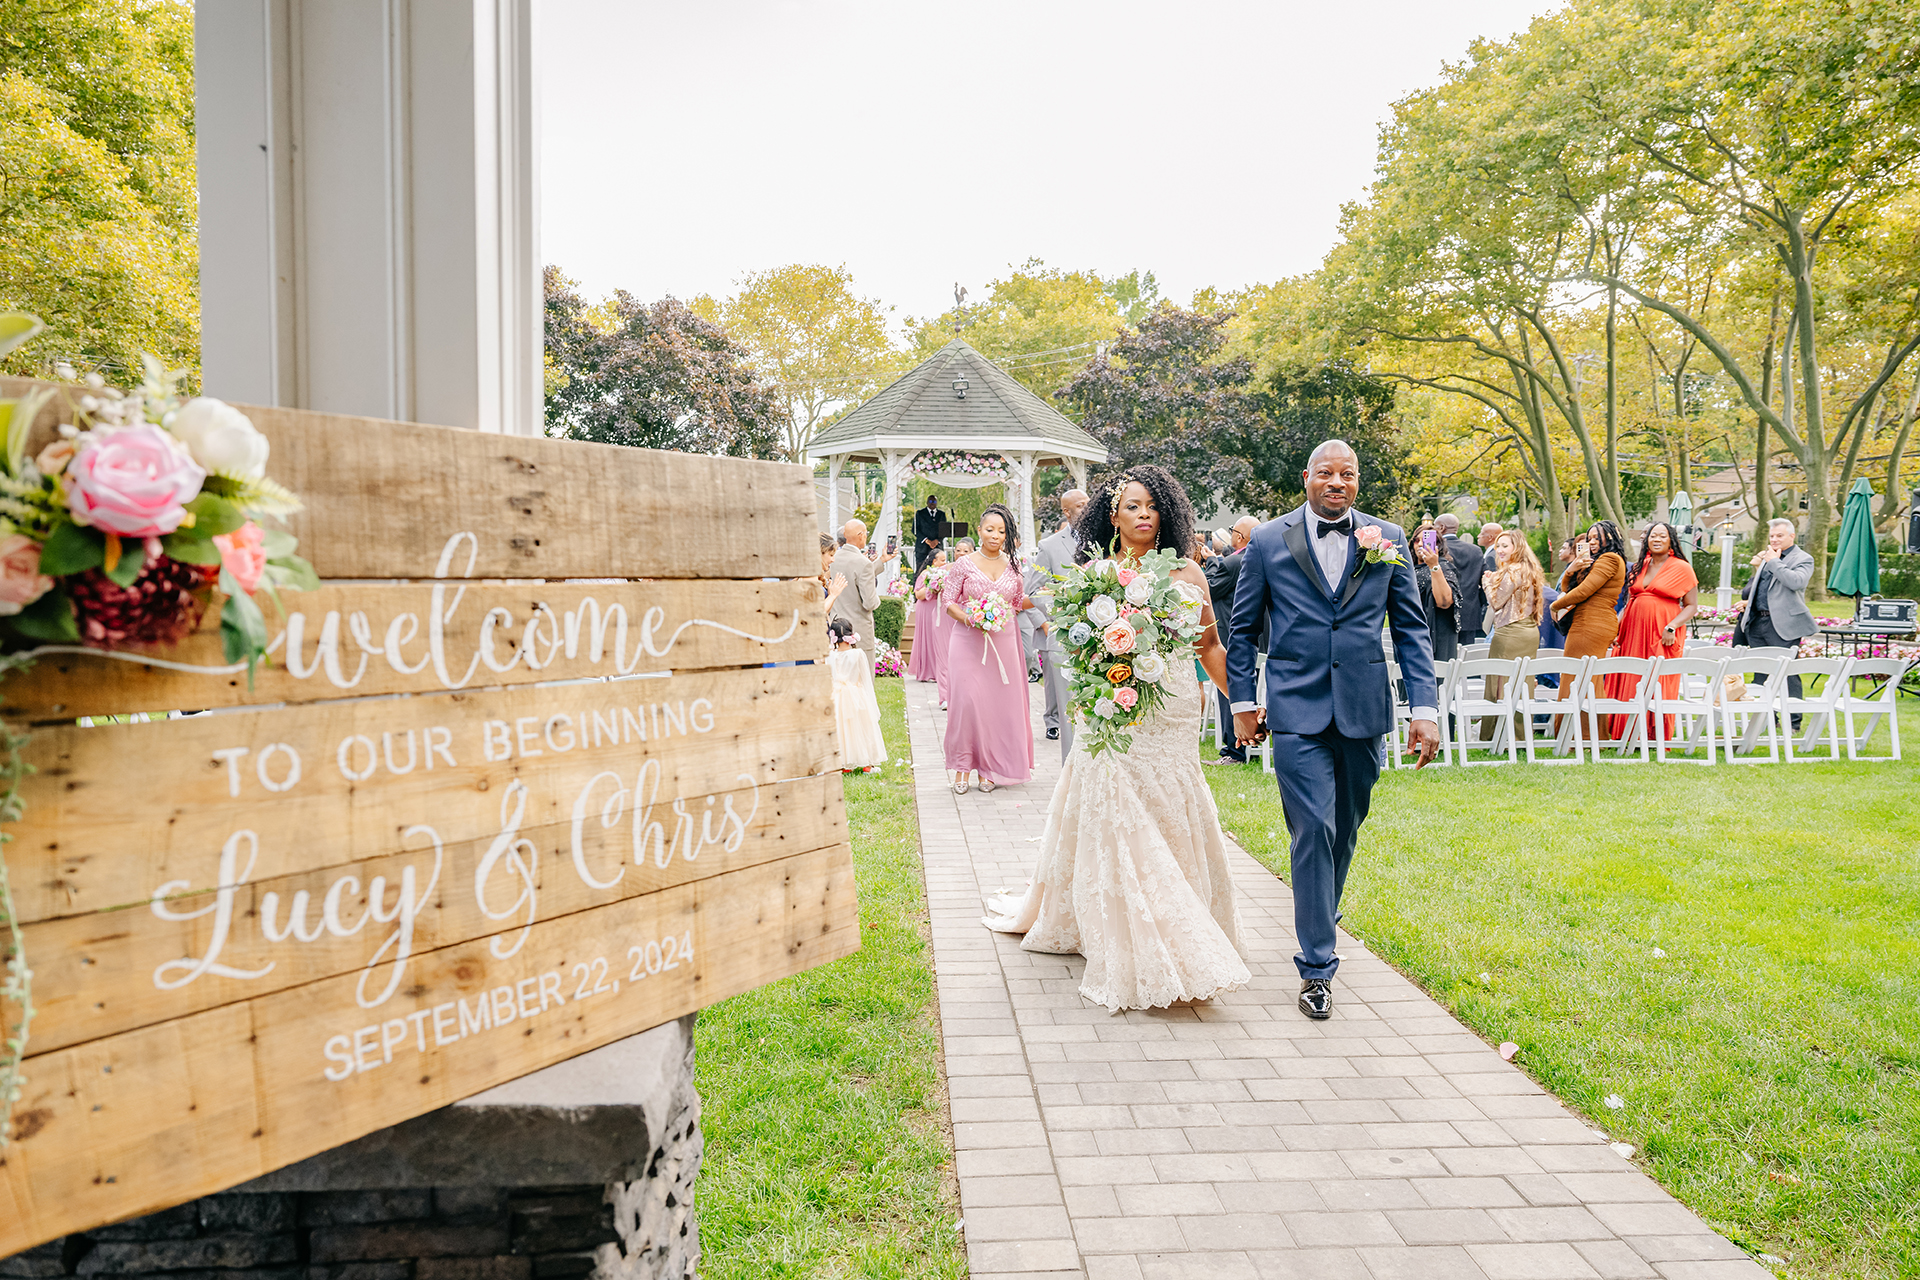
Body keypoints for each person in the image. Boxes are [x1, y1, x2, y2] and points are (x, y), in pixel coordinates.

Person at [983, 467, 1251, 1010]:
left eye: (1153, 504)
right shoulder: (1096, 575)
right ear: (1113, 514)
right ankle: (1130, 926)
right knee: (1116, 809)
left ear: (1168, 513)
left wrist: (1241, 705)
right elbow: (1076, 651)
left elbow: (1208, 649)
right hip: (1114, 711)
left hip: (1172, 707)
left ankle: (1183, 914)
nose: (1144, 513)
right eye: (1132, 506)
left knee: (1169, 808)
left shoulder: (1189, 574)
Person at [1228, 441, 1439, 1021]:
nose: (1337, 481)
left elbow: (1413, 632)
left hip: (1363, 707)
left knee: (1346, 826)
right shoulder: (1269, 540)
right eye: (1326, 473)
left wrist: (1426, 708)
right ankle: (1317, 966)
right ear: (1307, 478)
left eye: (1348, 473)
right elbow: (1242, 628)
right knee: (1312, 827)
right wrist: (1243, 700)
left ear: (1357, 481)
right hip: (1296, 711)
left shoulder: (1387, 538)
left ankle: (1323, 905)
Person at [941, 506, 1034, 793]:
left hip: (1004, 640)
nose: (996, 535)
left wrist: (1047, 597)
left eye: (1002, 531)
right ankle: (961, 767)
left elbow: (1017, 602)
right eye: (990, 529)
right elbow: (948, 601)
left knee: (996, 706)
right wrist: (970, 617)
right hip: (968, 639)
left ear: (1009, 536)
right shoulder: (964, 564)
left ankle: (989, 769)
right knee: (967, 703)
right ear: (979, 531)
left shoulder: (1014, 566)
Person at [1605, 521, 1698, 741]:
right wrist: (1615, 628)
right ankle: (1625, 733)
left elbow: (1692, 605)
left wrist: (1672, 626)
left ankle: (1652, 734)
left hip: (1662, 631)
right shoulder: (1641, 565)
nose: (1656, 540)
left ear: (1671, 541)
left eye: (1662, 536)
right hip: (1632, 630)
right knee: (1631, 675)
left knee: (1655, 679)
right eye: (1652, 536)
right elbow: (1630, 601)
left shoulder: (1682, 567)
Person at [1548, 521, 1627, 719]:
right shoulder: (1594, 561)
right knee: (1584, 676)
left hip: (1592, 622)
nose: (1591, 542)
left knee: (1579, 676)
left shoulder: (1609, 559)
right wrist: (1571, 569)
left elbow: (1584, 592)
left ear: (1609, 537)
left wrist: (1555, 606)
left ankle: (1579, 733)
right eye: (1589, 538)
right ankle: (1586, 733)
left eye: (1596, 538)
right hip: (1586, 621)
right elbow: (1568, 589)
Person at [1737, 517, 1815, 713]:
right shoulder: (1768, 556)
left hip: (1783, 624)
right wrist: (1749, 604)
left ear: (1792, 536)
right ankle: (1765, 718)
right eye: (1772, 536)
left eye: (1779, 535)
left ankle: (1793, 720)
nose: (1774, 539)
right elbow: (1763, 588)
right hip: (1757, 622)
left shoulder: (1803, 558)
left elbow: (1796, 582)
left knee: (1787, 673)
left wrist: (1773, 562)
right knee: (1760, 674)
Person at [1202, 515, 1262, 765]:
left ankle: (1234, 751)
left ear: (1238, 537)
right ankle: (1257, 741)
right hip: (1262, 639)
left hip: (1229, 637)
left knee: (1233, 693)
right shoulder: (1264, 560)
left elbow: (1209, 589)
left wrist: (1212, 561)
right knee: (1258, 693)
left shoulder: (1233, 562)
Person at [1033, 490, 1087, 753]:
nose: (1086, 509)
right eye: (1080, 506)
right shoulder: (1050, 546)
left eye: (1089, 504)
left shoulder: (1111, 539)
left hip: (1109, 640)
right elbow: (1033, 590)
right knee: (1071, 717)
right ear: (1067, 512)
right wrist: (1062, 609)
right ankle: (1071, 778)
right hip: (1065, 640)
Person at [1478, 531, 1545, 739]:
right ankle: (1520, 734)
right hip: (1529, 631)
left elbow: (1496, 602)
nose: (1500, 550)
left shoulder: (1512, 571)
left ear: (1517, 547)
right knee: (1522, 682)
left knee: (1499, 681)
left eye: (1505, 546)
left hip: (1509, 632)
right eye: (1498, 546)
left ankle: (1495, 736)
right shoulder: (1531, 570)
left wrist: (1487, 583)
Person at [827, 618, 887, 770]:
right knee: (860, 727)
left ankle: (844, 763)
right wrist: (869, 699)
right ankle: (866, 764)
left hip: (836, 696)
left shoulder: (830, 655)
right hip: (856, 695)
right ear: (850, 634)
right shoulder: (858, 654)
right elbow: (865, 679)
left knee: (841, 728)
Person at [1412, 518, 1461, 663]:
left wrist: (1434, 566)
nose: (1420, 544)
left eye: (1425, 540)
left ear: (1437, 545)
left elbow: (1445, 602)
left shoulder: (1444, 568)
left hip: (1437, 637)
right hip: (1411, 636)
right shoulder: (1408, 570)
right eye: (1416, 540)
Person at [829, 520, 880, 655]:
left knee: (840, 673)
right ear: (860, 535)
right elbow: (869, 603)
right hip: (858, 629)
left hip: (836, 626)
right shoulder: (864, 563)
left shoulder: (833, 559)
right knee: (864, 673)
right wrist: (877, 600)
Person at [1437, 514, 1487, 645]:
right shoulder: (1476, 550)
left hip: (1442, 614)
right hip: (1469, 613)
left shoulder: (1436, 549)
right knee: (1466, 657)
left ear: (1441, 527)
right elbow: (1484, 580)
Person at [905, 549, 949, 684]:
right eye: (942, 560)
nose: (945, 563)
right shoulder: (925, 574)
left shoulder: (944, 573)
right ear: (934, 561)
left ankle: (938, 671)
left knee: (937, 639)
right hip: (926, 608)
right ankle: (927, 671)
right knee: (928, 637)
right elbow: (918, 595)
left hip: (937, 608)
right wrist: (933, 586)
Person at [913, 494, 946, 576]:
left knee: (939, 571)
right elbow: (914, 529)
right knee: (920, 570)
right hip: (922, 548)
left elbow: (945, 530)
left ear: (937, 503)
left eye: (934, 501)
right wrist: (926, 540)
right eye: (930, 501)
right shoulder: (920, 513)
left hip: (937, 547)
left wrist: (937, 540)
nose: (932, 503)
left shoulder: (941, 515)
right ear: (927, 502)